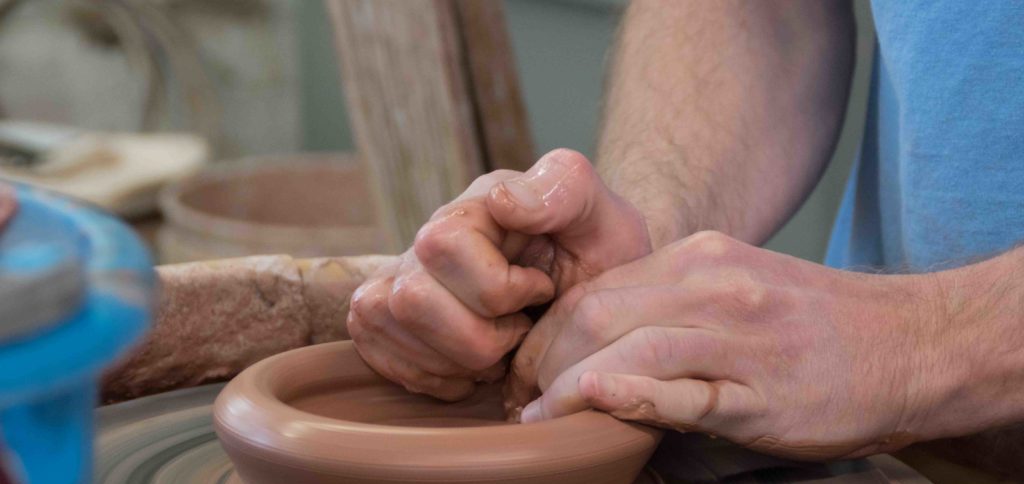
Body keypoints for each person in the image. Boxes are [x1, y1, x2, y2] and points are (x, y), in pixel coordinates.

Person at [348, 0, 1024, 460]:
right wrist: (642, 239)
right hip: (905, 457)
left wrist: (921, 344)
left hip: (903, 389)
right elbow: (764, 15)